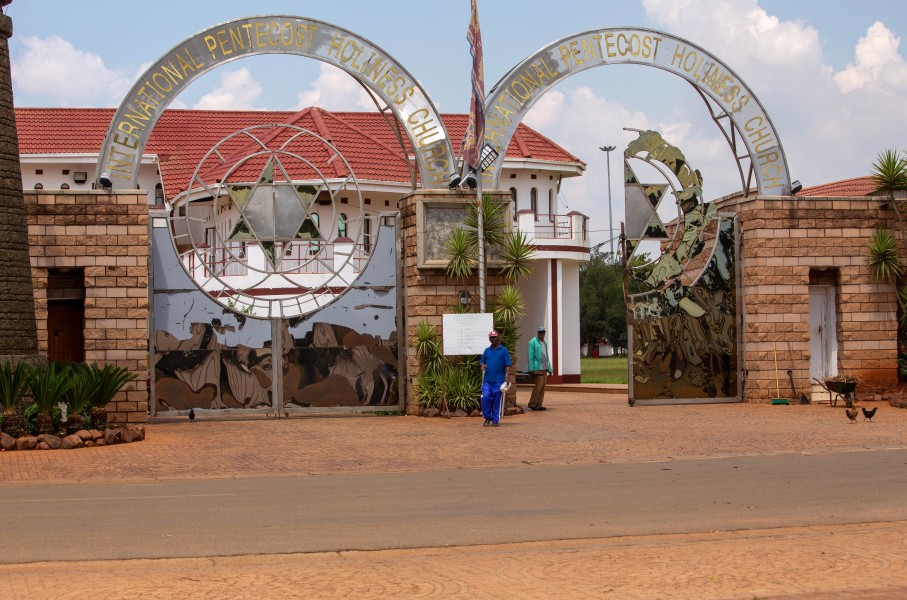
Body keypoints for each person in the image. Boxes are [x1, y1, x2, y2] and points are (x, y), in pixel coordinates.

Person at [480, 330, 511, 427]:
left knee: (496, 400)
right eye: (491, 338)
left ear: (498, 338)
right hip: (487, 380)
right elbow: (482, 361)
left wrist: (507, 376)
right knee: (485, 397)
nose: (493, 339)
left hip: (499, 380)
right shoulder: (487, 350)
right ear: (489, 339)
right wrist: (483, 365)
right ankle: (487, 417)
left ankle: (495, 420)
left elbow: (508, 364)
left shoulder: (504, 350)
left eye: (494, 337)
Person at [527, 326, 552, 411]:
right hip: (537, 368)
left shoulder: (544, 343)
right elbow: (530, 356)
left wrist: (549, 368)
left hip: (544, 368)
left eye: (542, 332)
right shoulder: (532, 342)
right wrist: (531, 369)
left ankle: (539, 404)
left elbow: (546, 356)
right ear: (538, 333)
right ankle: (532, 403)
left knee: (543, 387)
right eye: (540, 332)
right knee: (539, 386)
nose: (541, 334)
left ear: (544, 333)